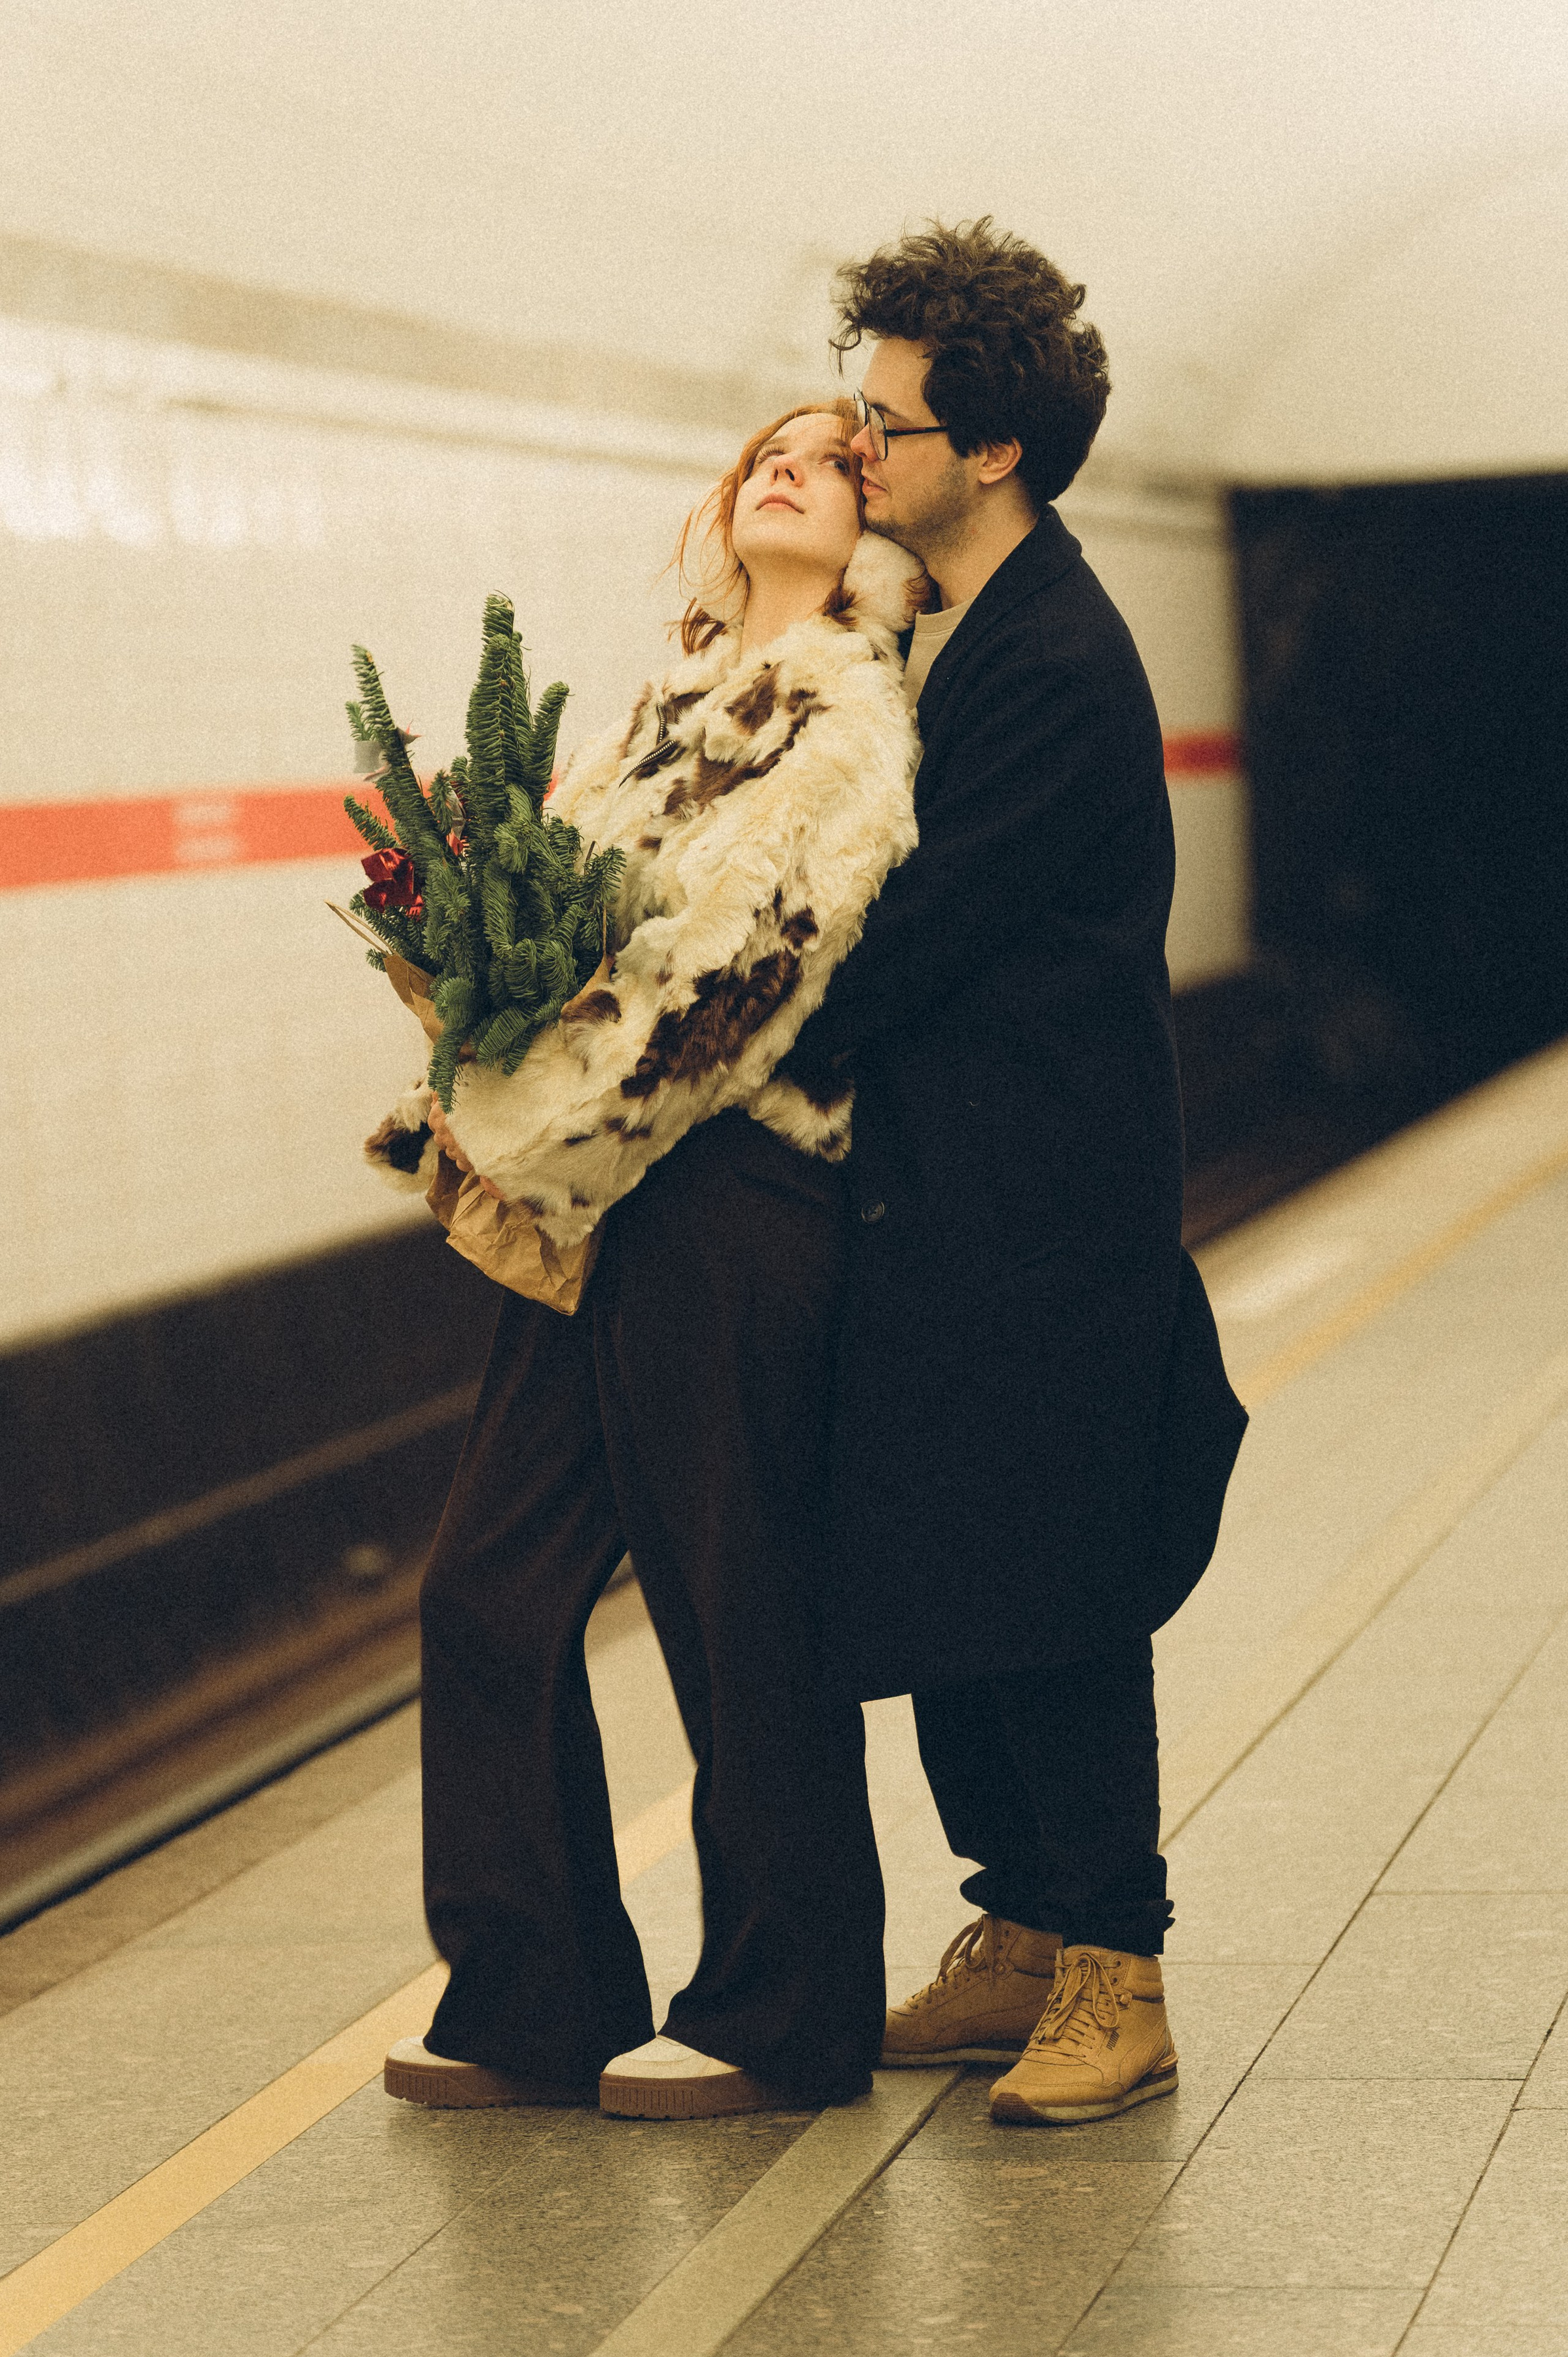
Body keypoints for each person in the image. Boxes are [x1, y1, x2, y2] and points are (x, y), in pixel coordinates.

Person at [379, 401, 927, 2119]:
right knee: (484, 1588)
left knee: (731, 1601)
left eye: (834, 461)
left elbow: (732, 982)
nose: (787, 466)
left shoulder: (847, 720)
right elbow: (555, 940)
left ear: (878, 525)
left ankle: (788, 2013)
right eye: (764, 451)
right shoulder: (656, 713)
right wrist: (469, 1053)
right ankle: (532, 1993)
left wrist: (525, 1133)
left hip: (729, 1196)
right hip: (595, 1200)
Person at [803, 219, 1247, 2126]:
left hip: (1045, 1213)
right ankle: (1016, 1935)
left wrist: (736, 993)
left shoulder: (1057, 653)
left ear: (988, 448)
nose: (857, 445)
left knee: (1054, 1587)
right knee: (953, 1571)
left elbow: (921, 931)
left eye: (885, 419)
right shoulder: (965, 625)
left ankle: (1117, 1971)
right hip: (950, 1202)